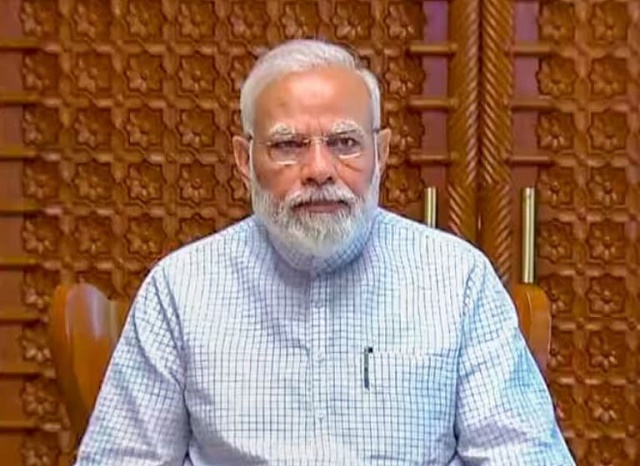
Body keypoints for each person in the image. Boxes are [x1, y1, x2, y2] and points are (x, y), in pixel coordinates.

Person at [75, 39, 575, 465]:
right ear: (244, 160)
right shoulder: (181, 290)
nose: (319, 169)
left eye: (344, 142)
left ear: (381, 153)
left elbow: (523, 457)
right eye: (288, 145)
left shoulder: (457, 281)